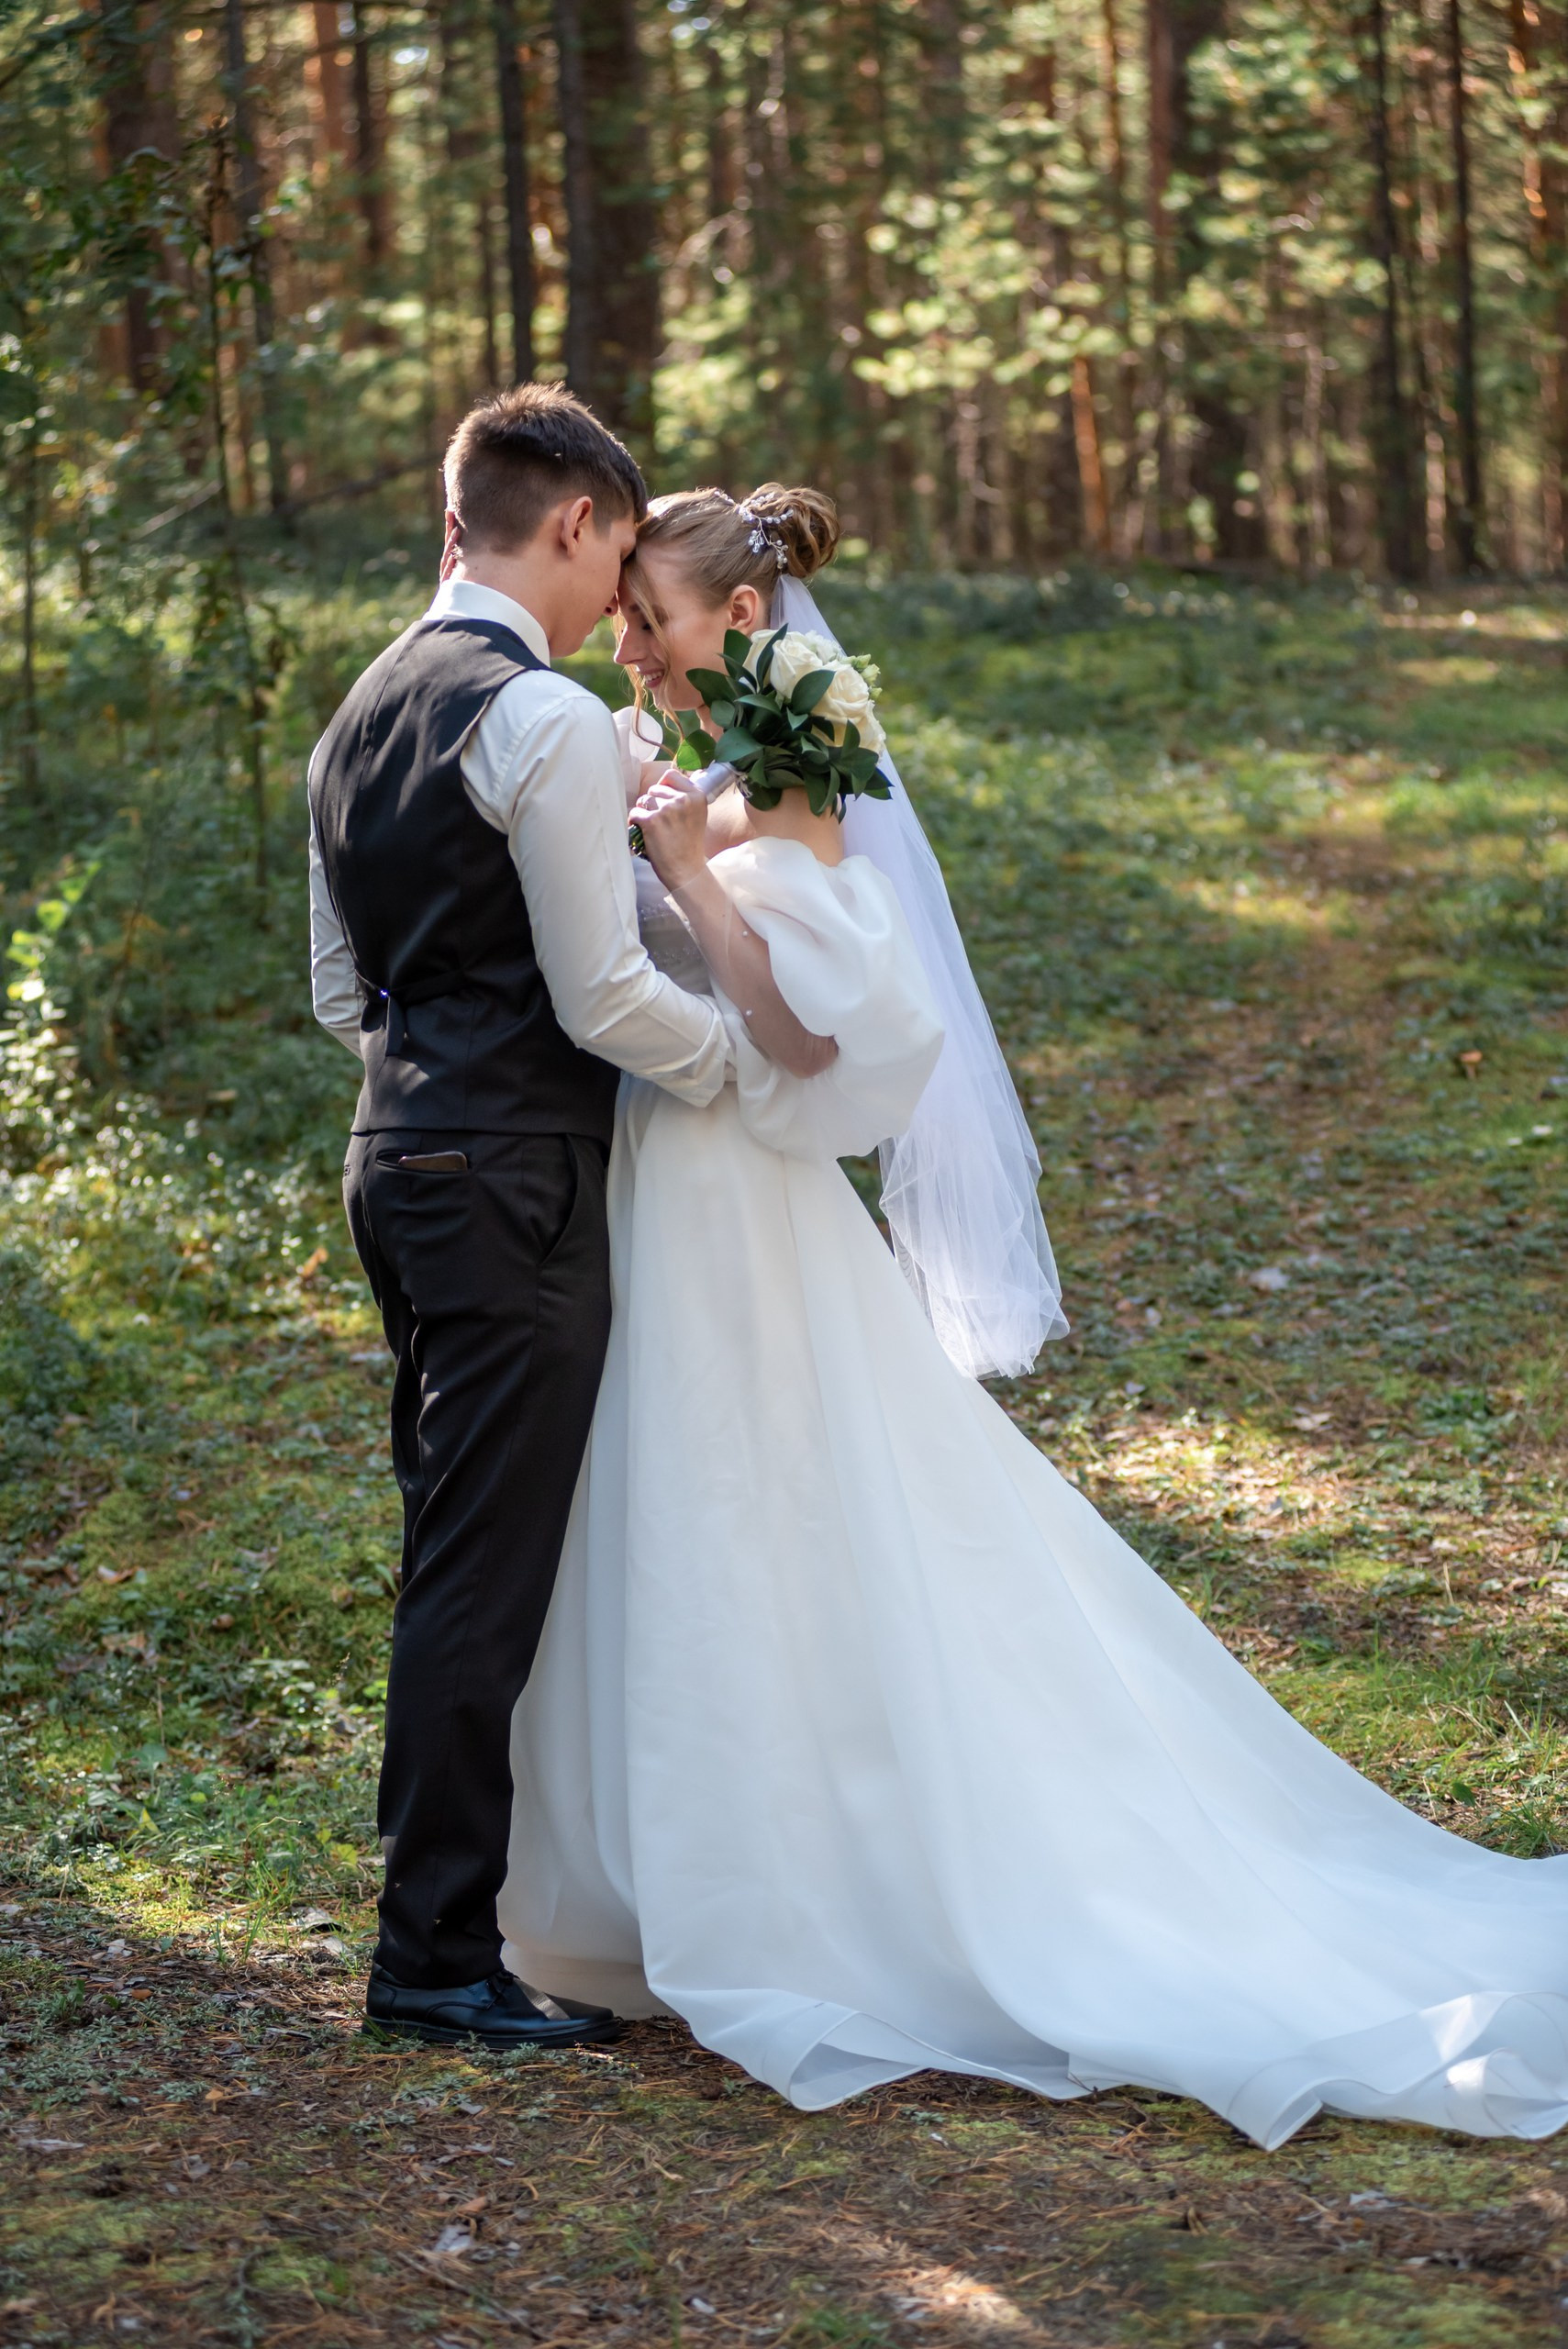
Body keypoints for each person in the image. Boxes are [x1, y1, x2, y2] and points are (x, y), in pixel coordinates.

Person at [497, 484, 1568, 2149]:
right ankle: (649, 1880)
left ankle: (805, 1886)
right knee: (687, 1506)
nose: (627, 641)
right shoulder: (716, 775)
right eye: (624, 612)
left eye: (651, 614)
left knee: (768, 1497)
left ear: (742, 623)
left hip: (737, 1192)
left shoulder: (792, 797)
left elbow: (807, 1040)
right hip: (663, 1182)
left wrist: (670, 864)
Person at [307, 393, 824, 2051]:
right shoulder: (532, 719)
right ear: (581, 526)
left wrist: (442, 1072)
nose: (618, 606)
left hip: (394, 1158)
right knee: (482, 1565)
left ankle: (444, 1927)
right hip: (511, 1175)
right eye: (615, 557)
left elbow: (342, 996)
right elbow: (603, 994)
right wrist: (742, 1062)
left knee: (451, 1544)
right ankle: (434, 1958)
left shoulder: (360, 712)